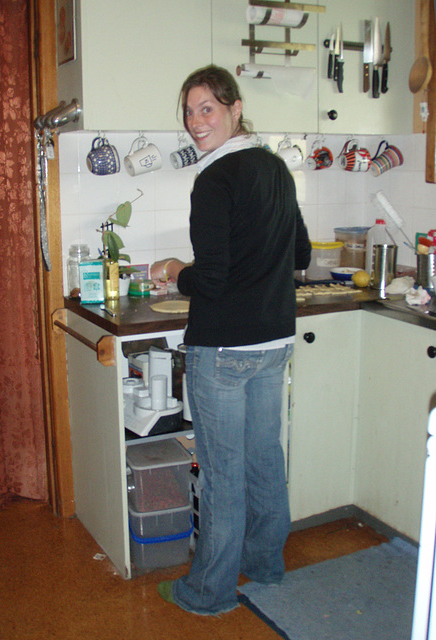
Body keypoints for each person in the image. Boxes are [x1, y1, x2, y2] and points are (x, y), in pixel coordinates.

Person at [150, 65, 311, 616]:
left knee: (221, 475)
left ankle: (208, 592)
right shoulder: (275, 169)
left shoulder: (214, 179)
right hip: (273, 344)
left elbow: (211, 279)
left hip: (222, 351)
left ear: (235, 108)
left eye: (207, 109)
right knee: (264, 459)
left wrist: (175, 270)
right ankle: (266, 564)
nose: (196, 122)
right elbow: (301, 256)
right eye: (190, 111)